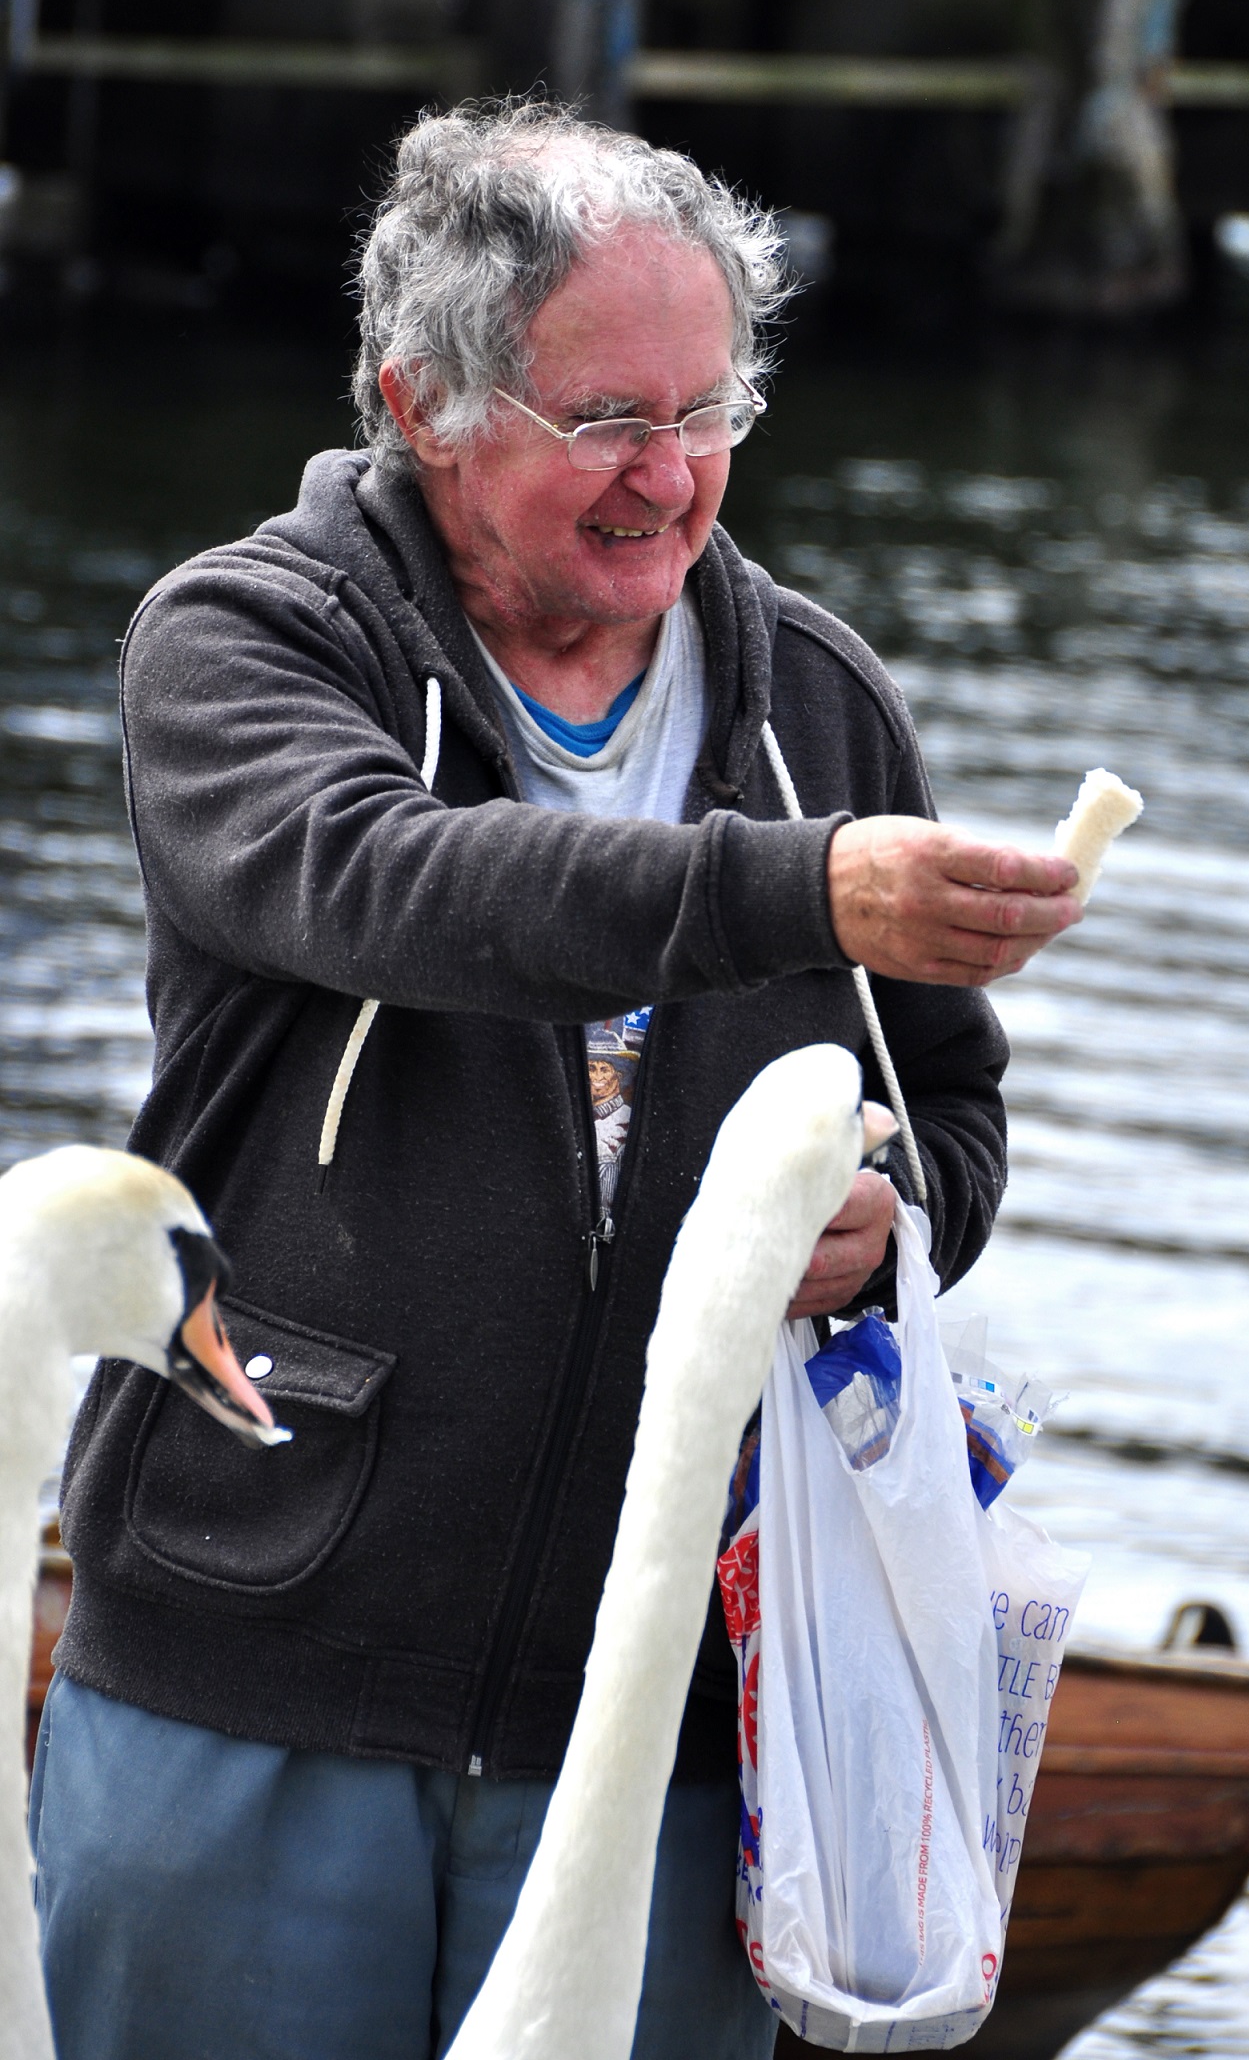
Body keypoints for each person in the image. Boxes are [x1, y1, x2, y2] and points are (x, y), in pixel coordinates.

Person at [30, 101, 1080, 2060]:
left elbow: (949, 1110)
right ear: (418, 403)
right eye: (604, 418)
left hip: (667, 1716)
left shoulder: (823, 703)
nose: (669, 475)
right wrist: (800, 887)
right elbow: (395, 886)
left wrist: (892, 1226)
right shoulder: (242, 641)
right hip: (246, 1677)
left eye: (709, 408)